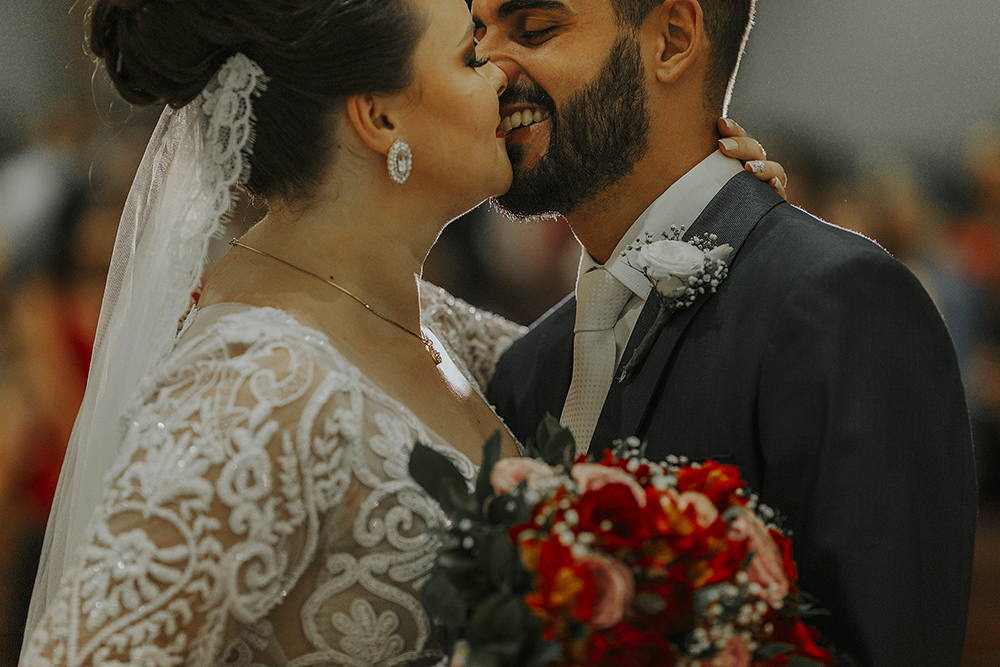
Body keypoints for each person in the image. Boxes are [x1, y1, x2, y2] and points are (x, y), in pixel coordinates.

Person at [18, 0, 780, 664]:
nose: (499, 74)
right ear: (380, 117)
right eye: (466, 51)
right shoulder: (257, 392)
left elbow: (606, 365)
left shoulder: (431, 325)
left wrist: (701, 205)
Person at [479, 0, 978, 664]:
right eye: (476, 37)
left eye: (536, 30)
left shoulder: (840, 300)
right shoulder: (525, 365)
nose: (487, 68)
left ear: (673, 39)